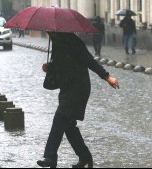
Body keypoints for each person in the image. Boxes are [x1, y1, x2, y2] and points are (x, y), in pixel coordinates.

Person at [37, 32, 119, 168]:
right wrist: (49, 67)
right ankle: (85, 156)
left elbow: (89, 60)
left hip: (78, 88)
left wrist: (107, 77)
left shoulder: (73, 41)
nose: (48, 34)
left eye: (49, 32)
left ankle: (50, 157)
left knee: (60, 118)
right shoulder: (57, 44)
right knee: (68, 125)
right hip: (66, 89)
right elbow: (63, 65)